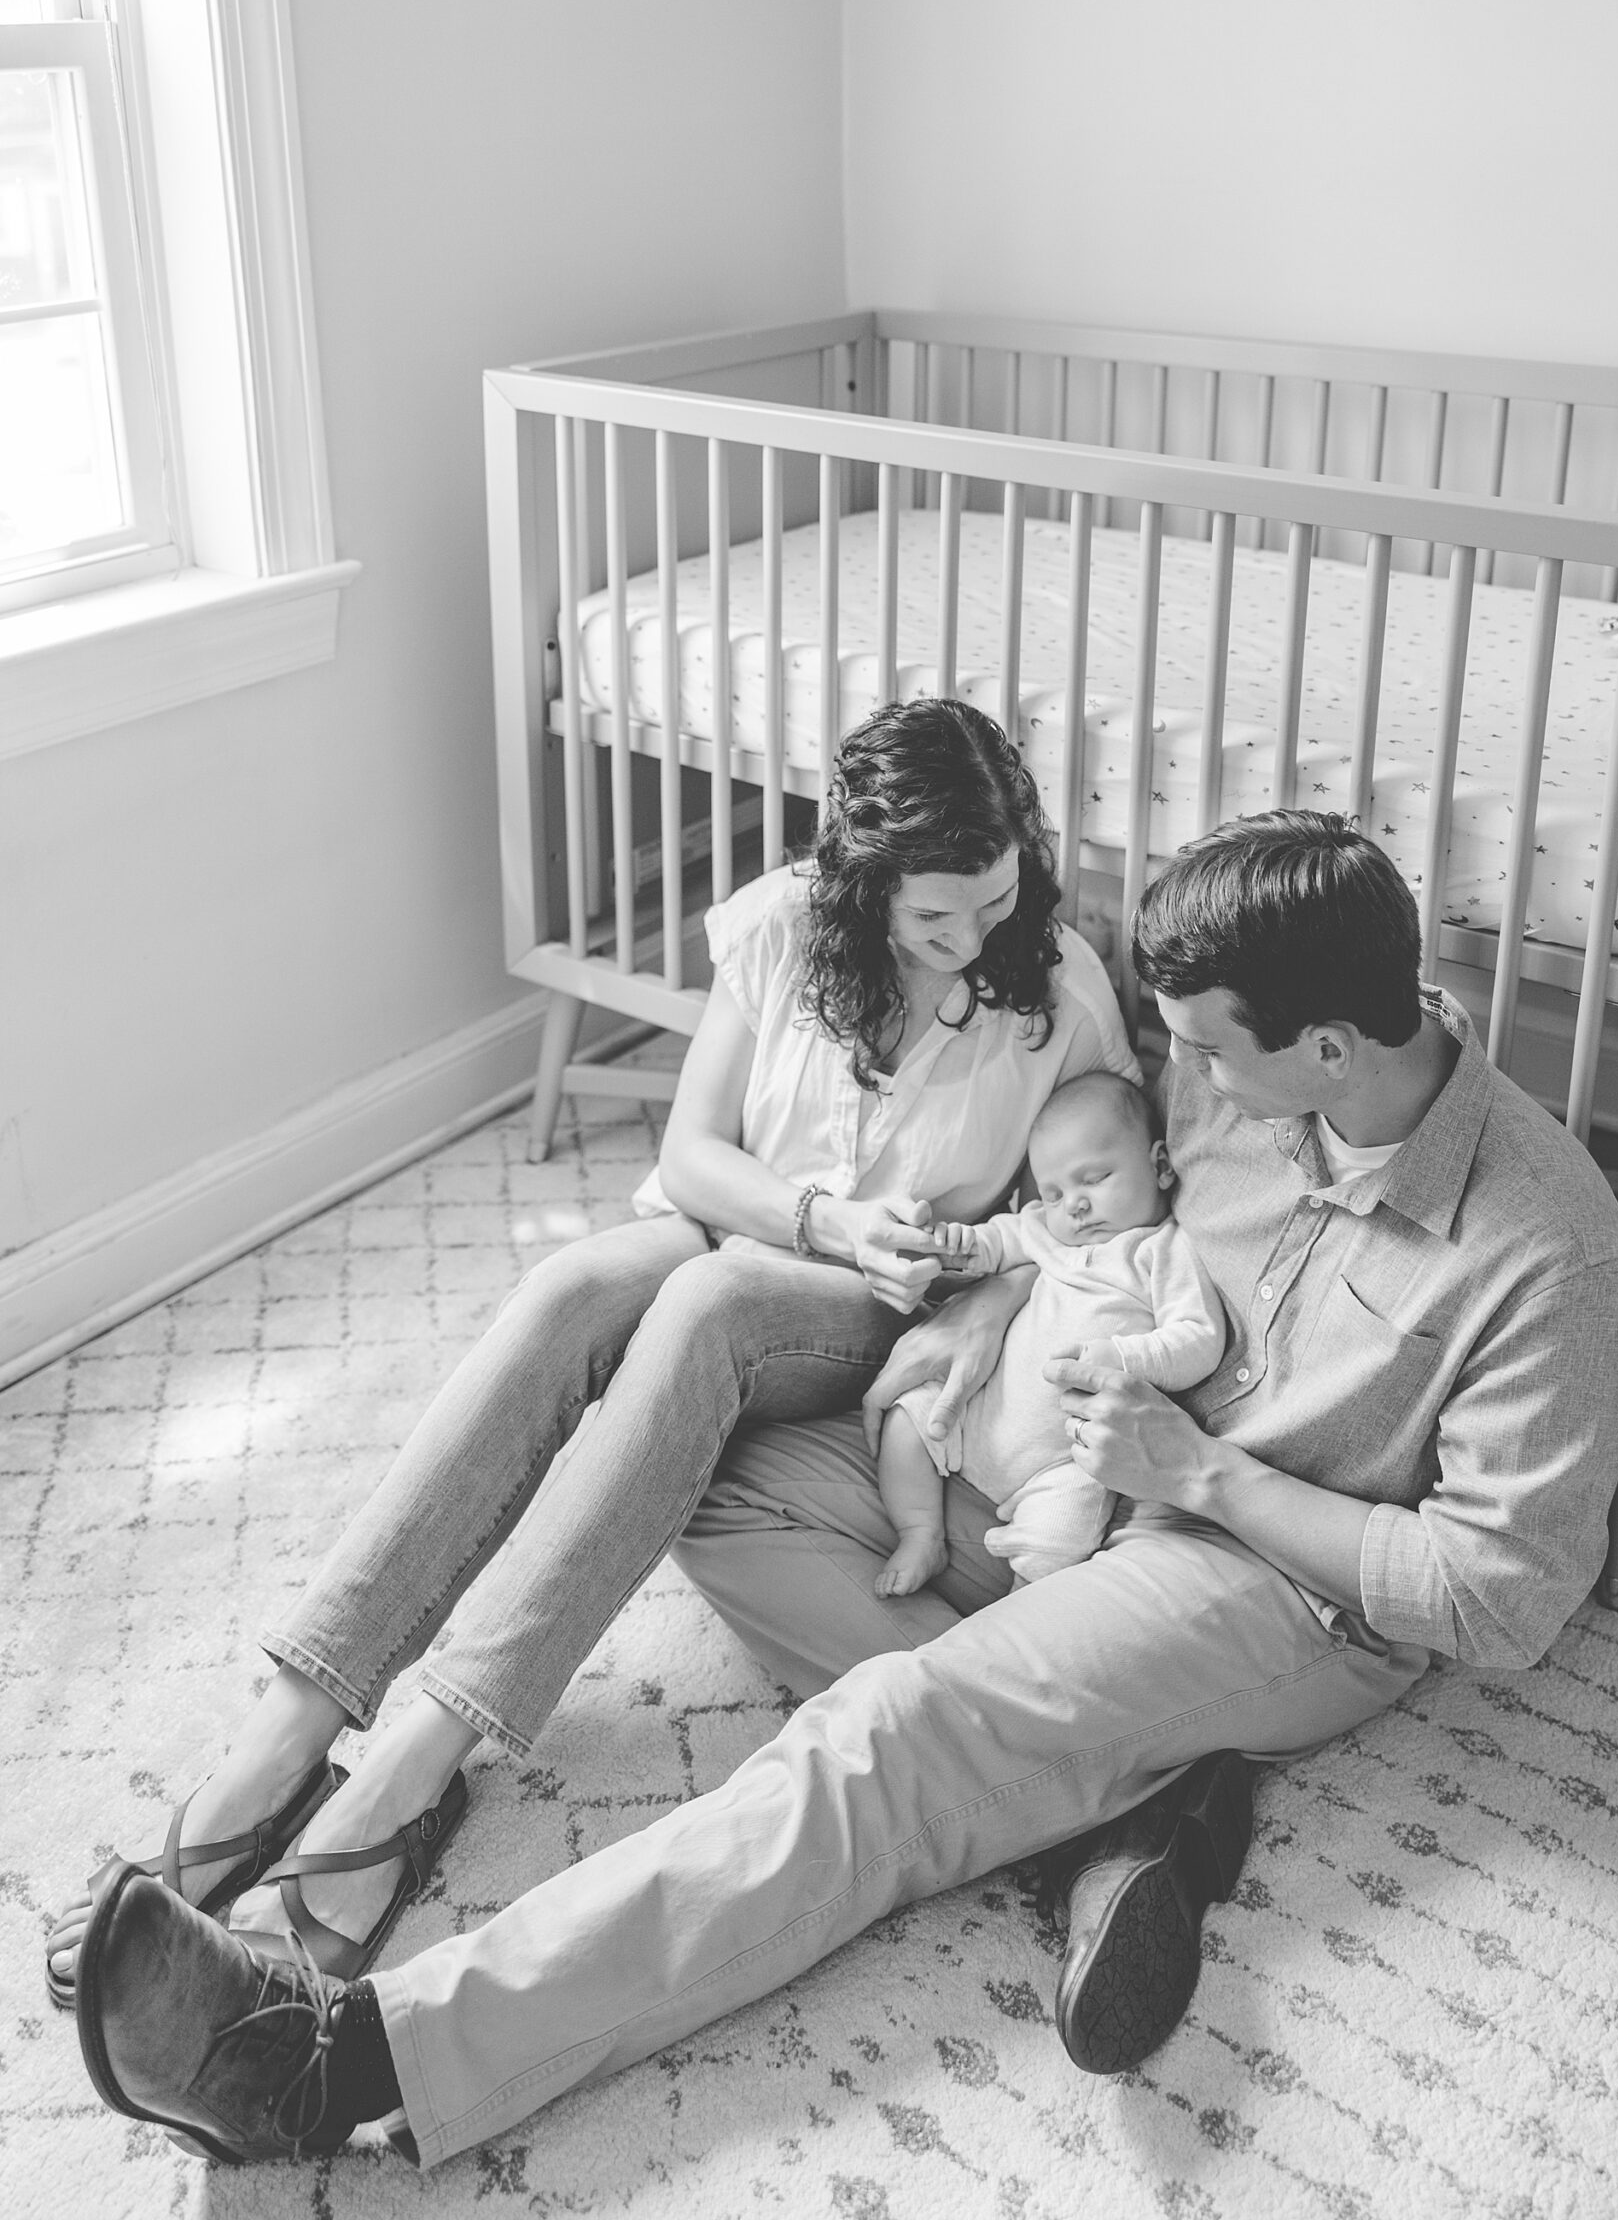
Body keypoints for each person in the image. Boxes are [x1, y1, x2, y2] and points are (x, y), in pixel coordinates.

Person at [74, 810, 1618, 2174]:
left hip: (1266, 1579)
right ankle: (1121, 1804)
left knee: (888, 1743)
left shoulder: (1547, 1254)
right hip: (1062, 1474)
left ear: (1325, 1049)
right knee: (709, 1475)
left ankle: (336, 2067)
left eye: (1210, 1055)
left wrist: (1211, 1481)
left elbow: (1502, 1602)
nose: (1180, 1083)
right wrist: (978, 1327)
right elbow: (1077, 1230)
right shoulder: (1244, 1079)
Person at [47, 697, 1138, 2006]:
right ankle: (288, 1734)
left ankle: (413, 1769)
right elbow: (690, 1156)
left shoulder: (1057, 995)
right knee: (570, 1288)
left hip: (878, 1309)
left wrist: (969, 1307)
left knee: (711, 1307)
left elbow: (1103, 1214)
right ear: (861, 889)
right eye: (932, 921)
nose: (971, 944)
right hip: (750, 1228)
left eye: (995, 903)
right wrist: (822, 1216)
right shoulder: (786, 927)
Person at [873, 1069, 1224, 1595]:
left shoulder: (1160, 1252)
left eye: (1095, 1178)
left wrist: (1121, 1357)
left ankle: (1015, 1617)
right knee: (908, 1419)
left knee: (1062, 1537)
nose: (1073, 1206)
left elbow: (1198, 1338)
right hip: (977, 1410)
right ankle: (919, 1532)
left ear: (1159, 1166)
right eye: (1054, 1191)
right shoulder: (1044, 1228)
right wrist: (957, 1246)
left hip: (1065, 1459)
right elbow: (994, 1241)